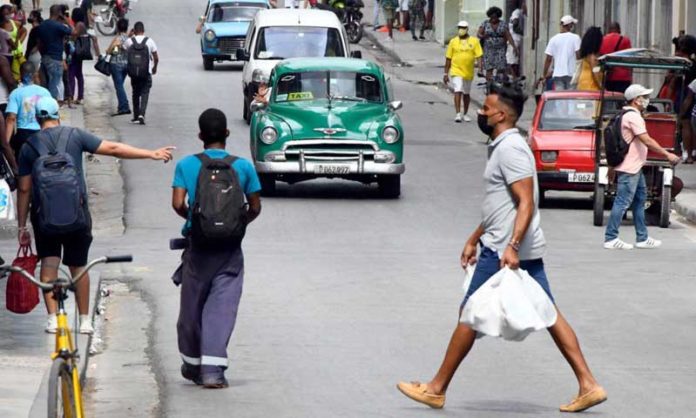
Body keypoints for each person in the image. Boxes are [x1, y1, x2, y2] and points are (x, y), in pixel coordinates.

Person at [396, 82, 607, 413]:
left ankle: (436, 388)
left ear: (503, 115)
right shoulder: (501, 145)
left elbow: (526, 202)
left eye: (486, 108)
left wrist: (511, 245)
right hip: (506, 244)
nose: (481, 112)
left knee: (470, 311)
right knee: (548, 312)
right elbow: (501, 205)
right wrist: (473, 237)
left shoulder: (510, 149)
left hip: (504, 251)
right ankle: (588, 383)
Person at [16, 96, 174, 334]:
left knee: (49, 263)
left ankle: (53, 321)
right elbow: (113, 148)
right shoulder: (75, 136)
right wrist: (150, 153)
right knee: (78, 267)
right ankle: (85, 320)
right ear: (58, 115)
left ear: (38, 119)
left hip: (44, 218)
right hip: (77, 215)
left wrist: (22, 226)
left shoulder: (29, 147)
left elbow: (25, 189)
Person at [171, 108, 261, 388]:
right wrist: (236, 224)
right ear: (227, 134)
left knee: (191, 308)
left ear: (200, 136)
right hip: (230, 251)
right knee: (221, 309)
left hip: (198, 249)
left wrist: (196, 221)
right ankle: (213, 372)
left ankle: (192, 364)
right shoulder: (243, 167)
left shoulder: (186, 165)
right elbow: (255, 206)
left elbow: (177, 203)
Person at [604, 85, 681, 250]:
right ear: (635, 99)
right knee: (622, 202)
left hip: (635, 166)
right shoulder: (633, 116)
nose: (646, 99)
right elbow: (646, 140)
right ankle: (611, 237)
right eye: (644, 96)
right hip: (630, 167)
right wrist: (667, 154)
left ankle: (642, 238)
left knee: (639, 202)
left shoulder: (626, 114)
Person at [5, 62, 50, 161]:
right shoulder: (45, 92)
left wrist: (6, 143)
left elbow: (11, 119)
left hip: (23, 136)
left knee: (23, 166)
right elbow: (52, 115)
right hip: (42, 133)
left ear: (20, 74)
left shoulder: (15, 93)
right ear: (34, 74)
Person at [444, 20, 482, 123]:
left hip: (468, 71)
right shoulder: (453, 42)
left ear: (467, 29)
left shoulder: (474, 41)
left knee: (466, 93)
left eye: (463, 28)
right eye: (460, 28)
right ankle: (458, 114)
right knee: (458, 90)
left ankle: (465, 113)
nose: (461, 30)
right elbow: (448, 58)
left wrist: (480, 68)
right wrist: (445, 73)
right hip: (456, 70)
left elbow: (479, 56)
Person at [123, 21, 158, 125]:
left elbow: (123, 49)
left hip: (134, 72)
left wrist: (129, 36)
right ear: (143, 30)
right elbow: (156, 57)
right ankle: (142, 114)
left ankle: (135, 115)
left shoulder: (130, 41)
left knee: (135, 93)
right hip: (146, 72)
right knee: (145, 93)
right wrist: (154, 67)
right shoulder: (150, 41)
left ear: (134, 30)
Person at [36, 4, 74, 100]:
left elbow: (39, 43)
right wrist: (66, 20)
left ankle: (46, 105)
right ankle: (51, 106)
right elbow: (73, 32)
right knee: (54, 83)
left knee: (46, 83)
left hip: (45, 57)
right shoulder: (58, 26)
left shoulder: (42, 25)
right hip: (55, 58)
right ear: (59, 13)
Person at [68, 8, 99, 105]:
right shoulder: (82, 24)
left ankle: (71, 95)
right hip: (80, 53)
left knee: (71, 74)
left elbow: (74, 35)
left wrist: (68, 25)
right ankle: (80, 96)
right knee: (78, 74)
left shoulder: (79, 25)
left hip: (76, 53)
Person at [477, 6, 516, 81]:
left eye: (495, 17)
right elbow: (478, 34)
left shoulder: (503, 24)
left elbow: (508, 36)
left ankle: (499, 83)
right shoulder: (485, 23)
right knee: (489, 68)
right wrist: (483, 36)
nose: (493, 19)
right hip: (488, 49)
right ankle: (489, 85)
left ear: (498, 16)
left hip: (500, 49)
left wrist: (514, 47)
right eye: (492, 17)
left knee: (501, 67)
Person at [543, 15, 581, 91]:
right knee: (571, 99)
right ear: (570, 25)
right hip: (571, 73)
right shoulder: (575, 38)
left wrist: (544, 75)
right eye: (572, 25)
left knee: (560, 99)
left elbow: (548, 59)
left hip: (558, 74)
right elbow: (578, 56)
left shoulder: (553, 39)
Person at [106, 17, 130, 116]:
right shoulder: (129, 39)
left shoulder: (118, 38)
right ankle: (122, 105)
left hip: (116, 65)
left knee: (119, 86)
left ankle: (124, 106)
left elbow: (111, 51)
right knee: (119, 86)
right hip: (126, 65)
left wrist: (111, 48)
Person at [599, 22, 632, 93]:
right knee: (622, 100)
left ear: (609, 30)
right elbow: (630, 59)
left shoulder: (602, 40)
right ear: (619, 30)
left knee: (609, 100)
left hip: (608, 76)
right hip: (623, 77)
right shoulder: (625, 40)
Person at [576, 26, 603, 91]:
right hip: (591, 84)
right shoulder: (593, 57)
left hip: (582, 81)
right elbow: (596, 74)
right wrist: (602, 88)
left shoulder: (586, 54)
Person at [506, 0, 525, 79]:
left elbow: (515, 24)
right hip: (515, 38)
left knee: (511, 59)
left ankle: (514, 77)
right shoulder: (519, 12)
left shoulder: (516, 12)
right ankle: (514, 76)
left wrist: (521, 32)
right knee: (513, 59)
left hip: (514, 38)